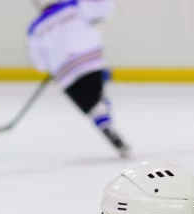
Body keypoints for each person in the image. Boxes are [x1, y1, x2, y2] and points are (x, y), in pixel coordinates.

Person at [26, 0, 130, 156]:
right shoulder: (74, 5)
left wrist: (51, 65)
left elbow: (39, 63)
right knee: (99, 100)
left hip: (66, 75)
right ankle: (107, 122)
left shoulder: (34, 29)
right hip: (92, 63)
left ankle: (105, 126)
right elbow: (104, 9)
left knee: (93, 108)